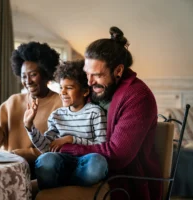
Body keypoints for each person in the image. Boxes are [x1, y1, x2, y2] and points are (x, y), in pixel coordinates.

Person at [57, 27, 162, 200]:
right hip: (87, 168)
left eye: (97, 75)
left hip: (123, 183)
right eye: (87, 74)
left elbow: (117, 155)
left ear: (118, 71)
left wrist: (67, 148)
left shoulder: (138, 96)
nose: (89, 82)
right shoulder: (94, 91)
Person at [23, 60, 108, 189]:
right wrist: (30, 126)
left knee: (98, 162)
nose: (62, 92)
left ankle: (65, 183)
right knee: (46, 159)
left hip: (85, 162)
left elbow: (102, 146)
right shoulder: (56, 116)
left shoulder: (95, 112)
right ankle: (64, 183)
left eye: (69, 88)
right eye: (61, 87)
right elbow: (46, 148)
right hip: (61, 162)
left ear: (85, 92)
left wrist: (71, 139)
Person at [0, 41, 62, 174]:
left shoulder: (60, 103)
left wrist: (17, 154)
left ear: (46, 74)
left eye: (33, 74)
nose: (28, 81)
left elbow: (55, 150)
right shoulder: (12, 102)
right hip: (6, 168)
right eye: (24, 76)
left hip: (38, 171)